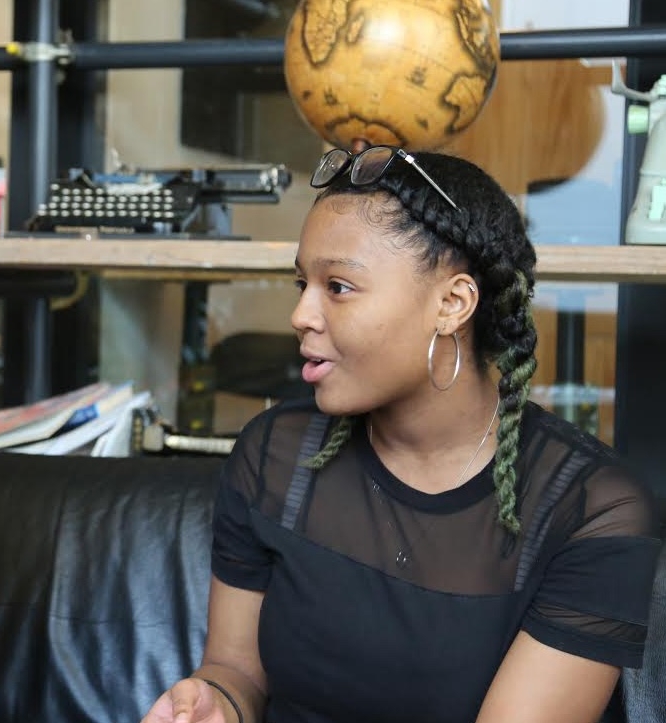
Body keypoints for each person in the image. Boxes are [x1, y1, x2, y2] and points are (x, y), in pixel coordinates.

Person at [140, 146, 662, 723]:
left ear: (452, 304)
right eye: (301, 284)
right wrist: (218, 704)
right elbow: (235, 671)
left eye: (337, 287)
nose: (301, 315)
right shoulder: (274, 454)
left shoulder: (590, 510)